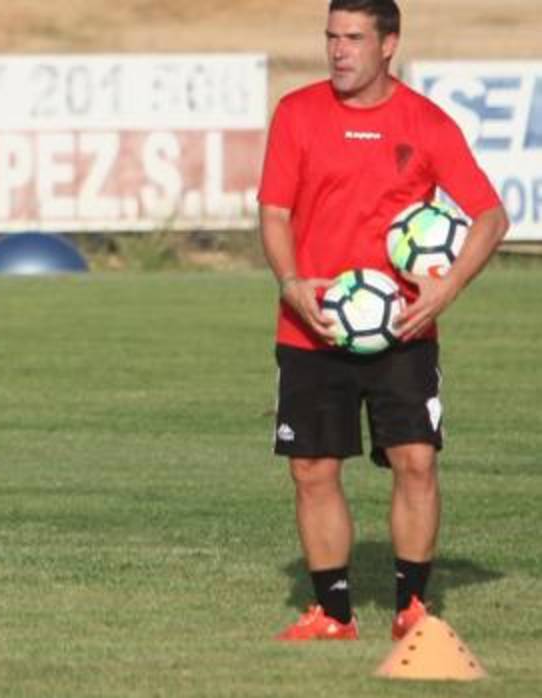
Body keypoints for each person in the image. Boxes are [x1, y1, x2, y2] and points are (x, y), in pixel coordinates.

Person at [259, 0, 509, 641]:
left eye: (353, 38)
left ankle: (413, 606)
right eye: (331, 37)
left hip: (402, 328)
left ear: (389, 44)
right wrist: (291, 286)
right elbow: (275, 214)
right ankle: (332, 613)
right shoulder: (297, 113)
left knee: (416, 459)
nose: (338, 51)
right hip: (312, 325)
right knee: (312, 469)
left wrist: (446, 288)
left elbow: (489, 216)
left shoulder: (424, 123)